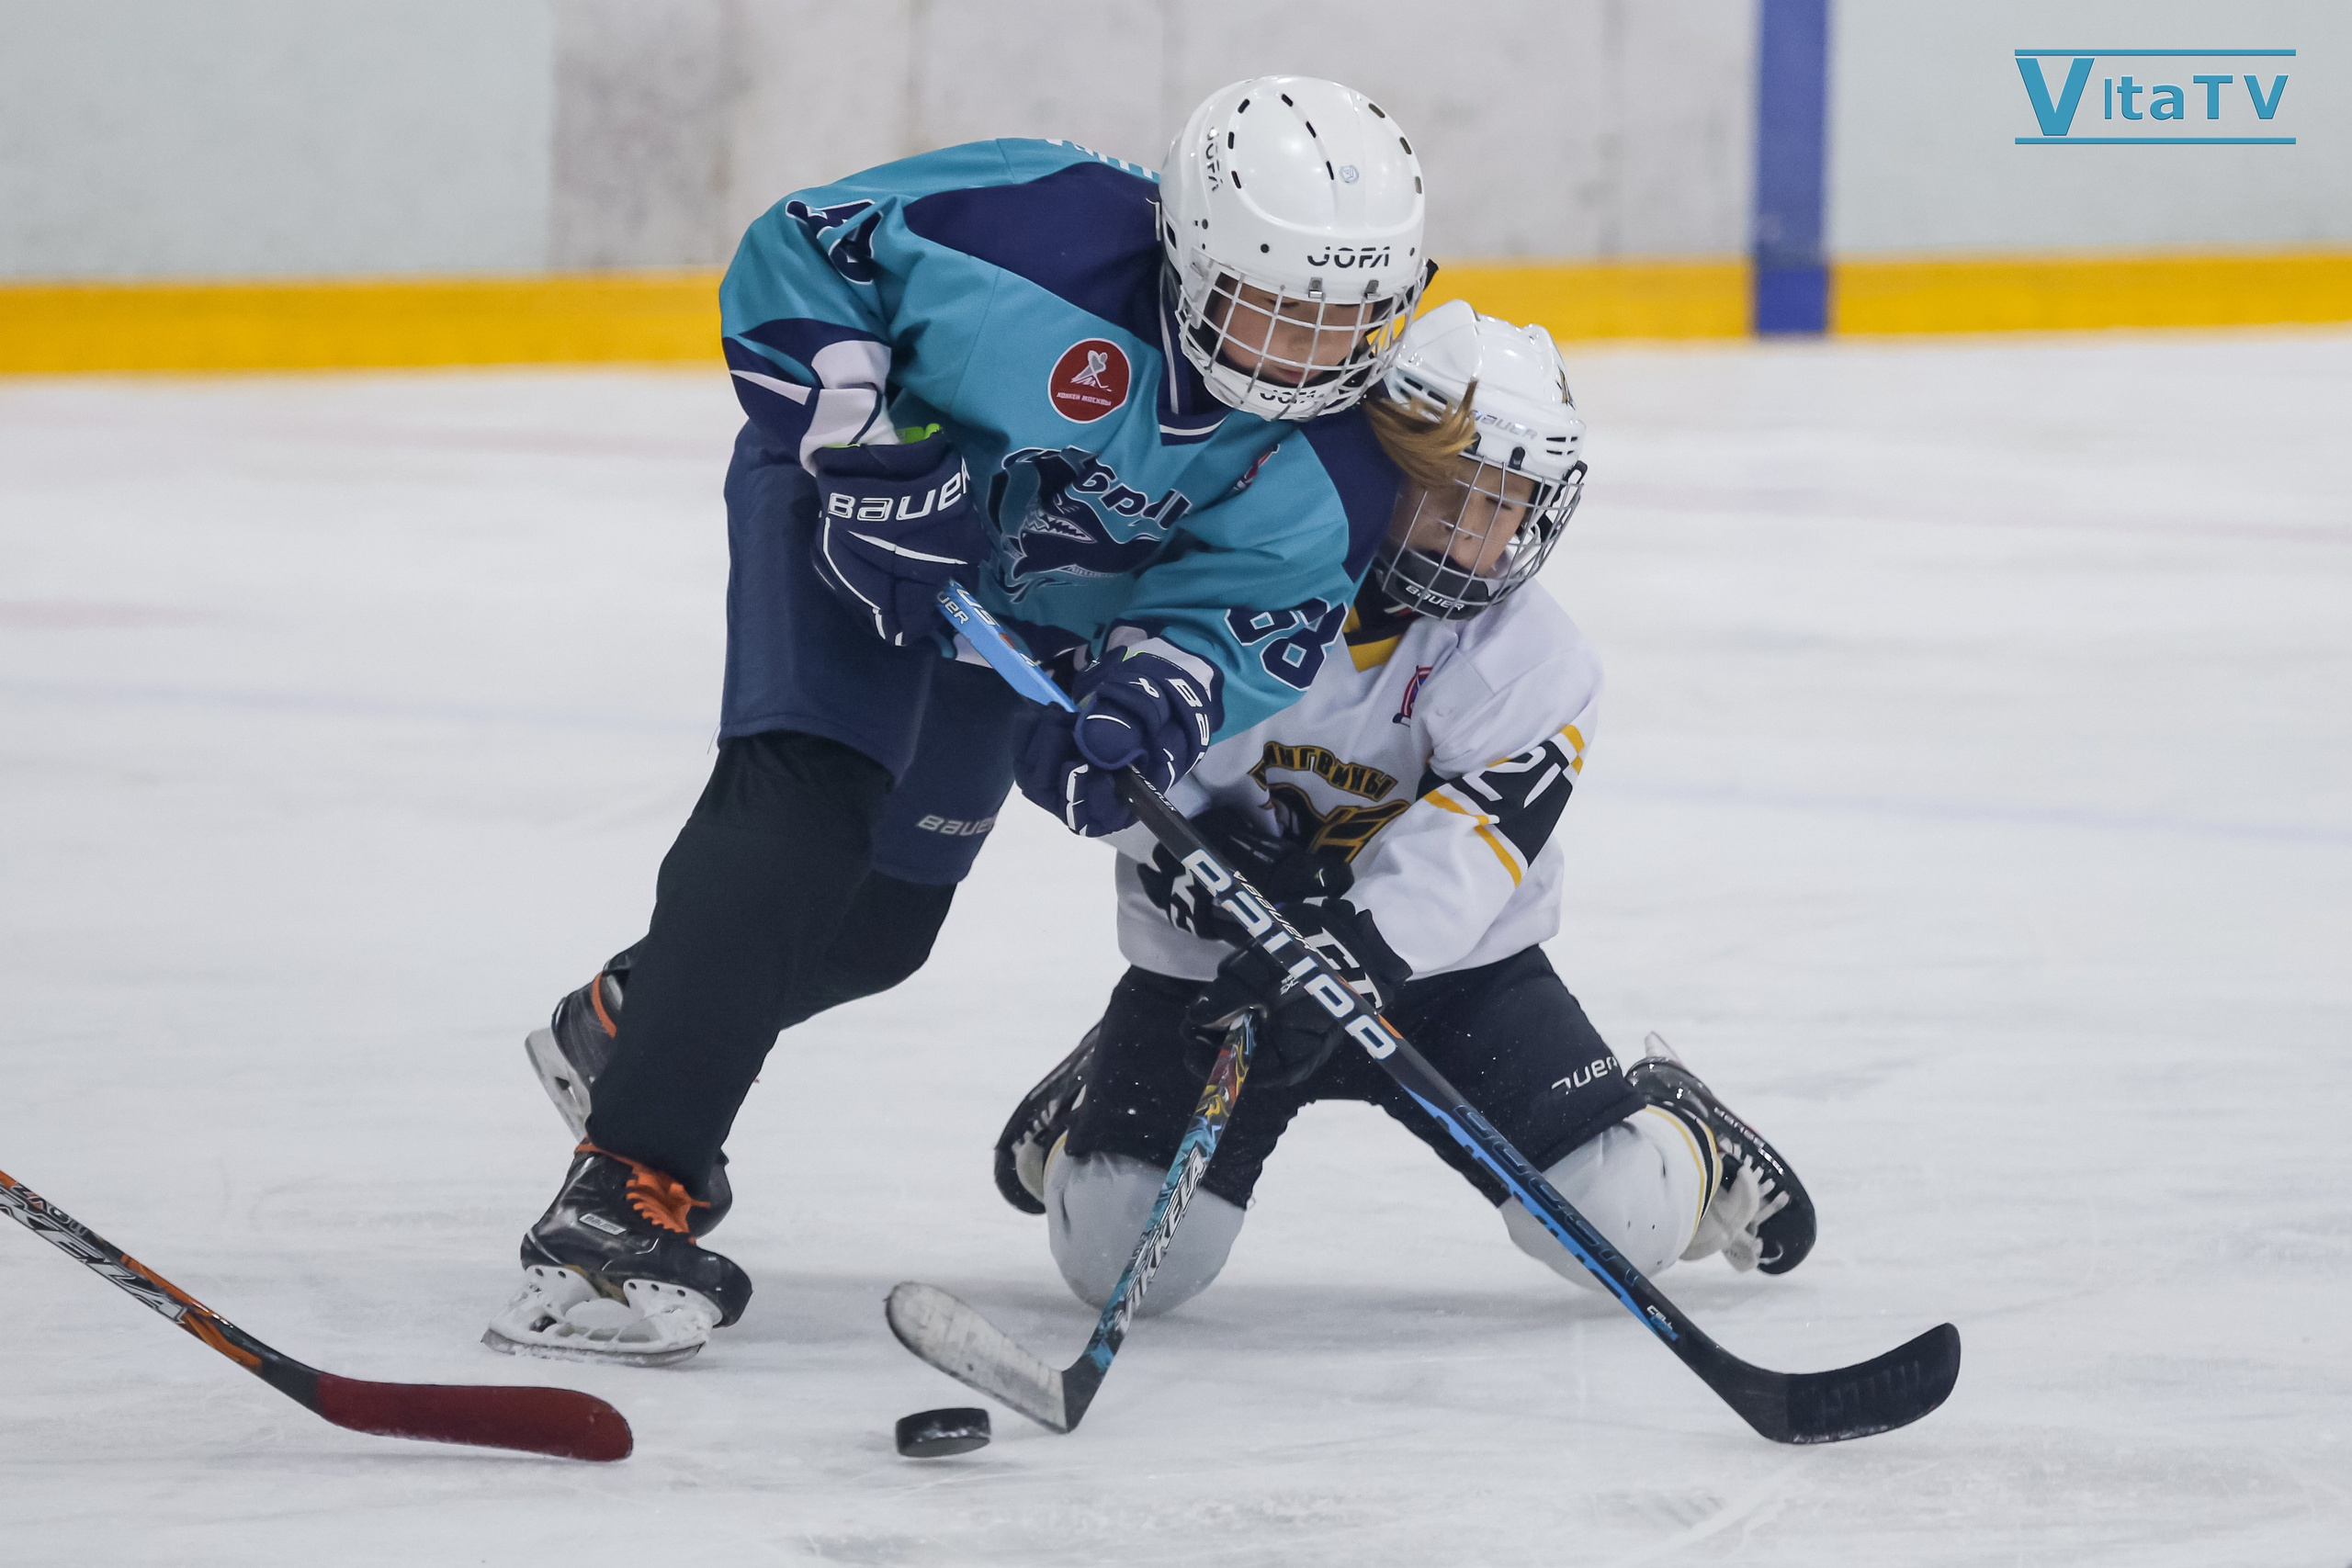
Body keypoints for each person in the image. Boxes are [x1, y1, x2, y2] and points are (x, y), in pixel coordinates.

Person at [485, 77, 1432, 1366]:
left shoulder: (1340, 459)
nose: (1304, 358)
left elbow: (1241, 612)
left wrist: (1153, 694)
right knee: (811, 800)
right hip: (846, 516)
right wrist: (868, 444)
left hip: (1020, 609)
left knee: (881, 925)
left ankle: (638, 1018)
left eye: (1344, 322)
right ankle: (621, 1193)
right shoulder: (1037, 227)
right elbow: (803, 246)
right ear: (1192, 255)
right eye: (1273, 310)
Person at [992, 301, 1817, 1318]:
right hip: (1219, 966)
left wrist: (1361, 945)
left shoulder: (1534, 664)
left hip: (1450, 981)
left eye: (1507, 507)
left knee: (1617, 1226)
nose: (1479, 540)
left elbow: (1474, 847)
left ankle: (1681, 1132)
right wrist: (1199, 867)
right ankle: (1095, 1100)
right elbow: (1112, 751)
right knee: (1122, 1263)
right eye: (1450, 497)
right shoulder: (1223, 578)